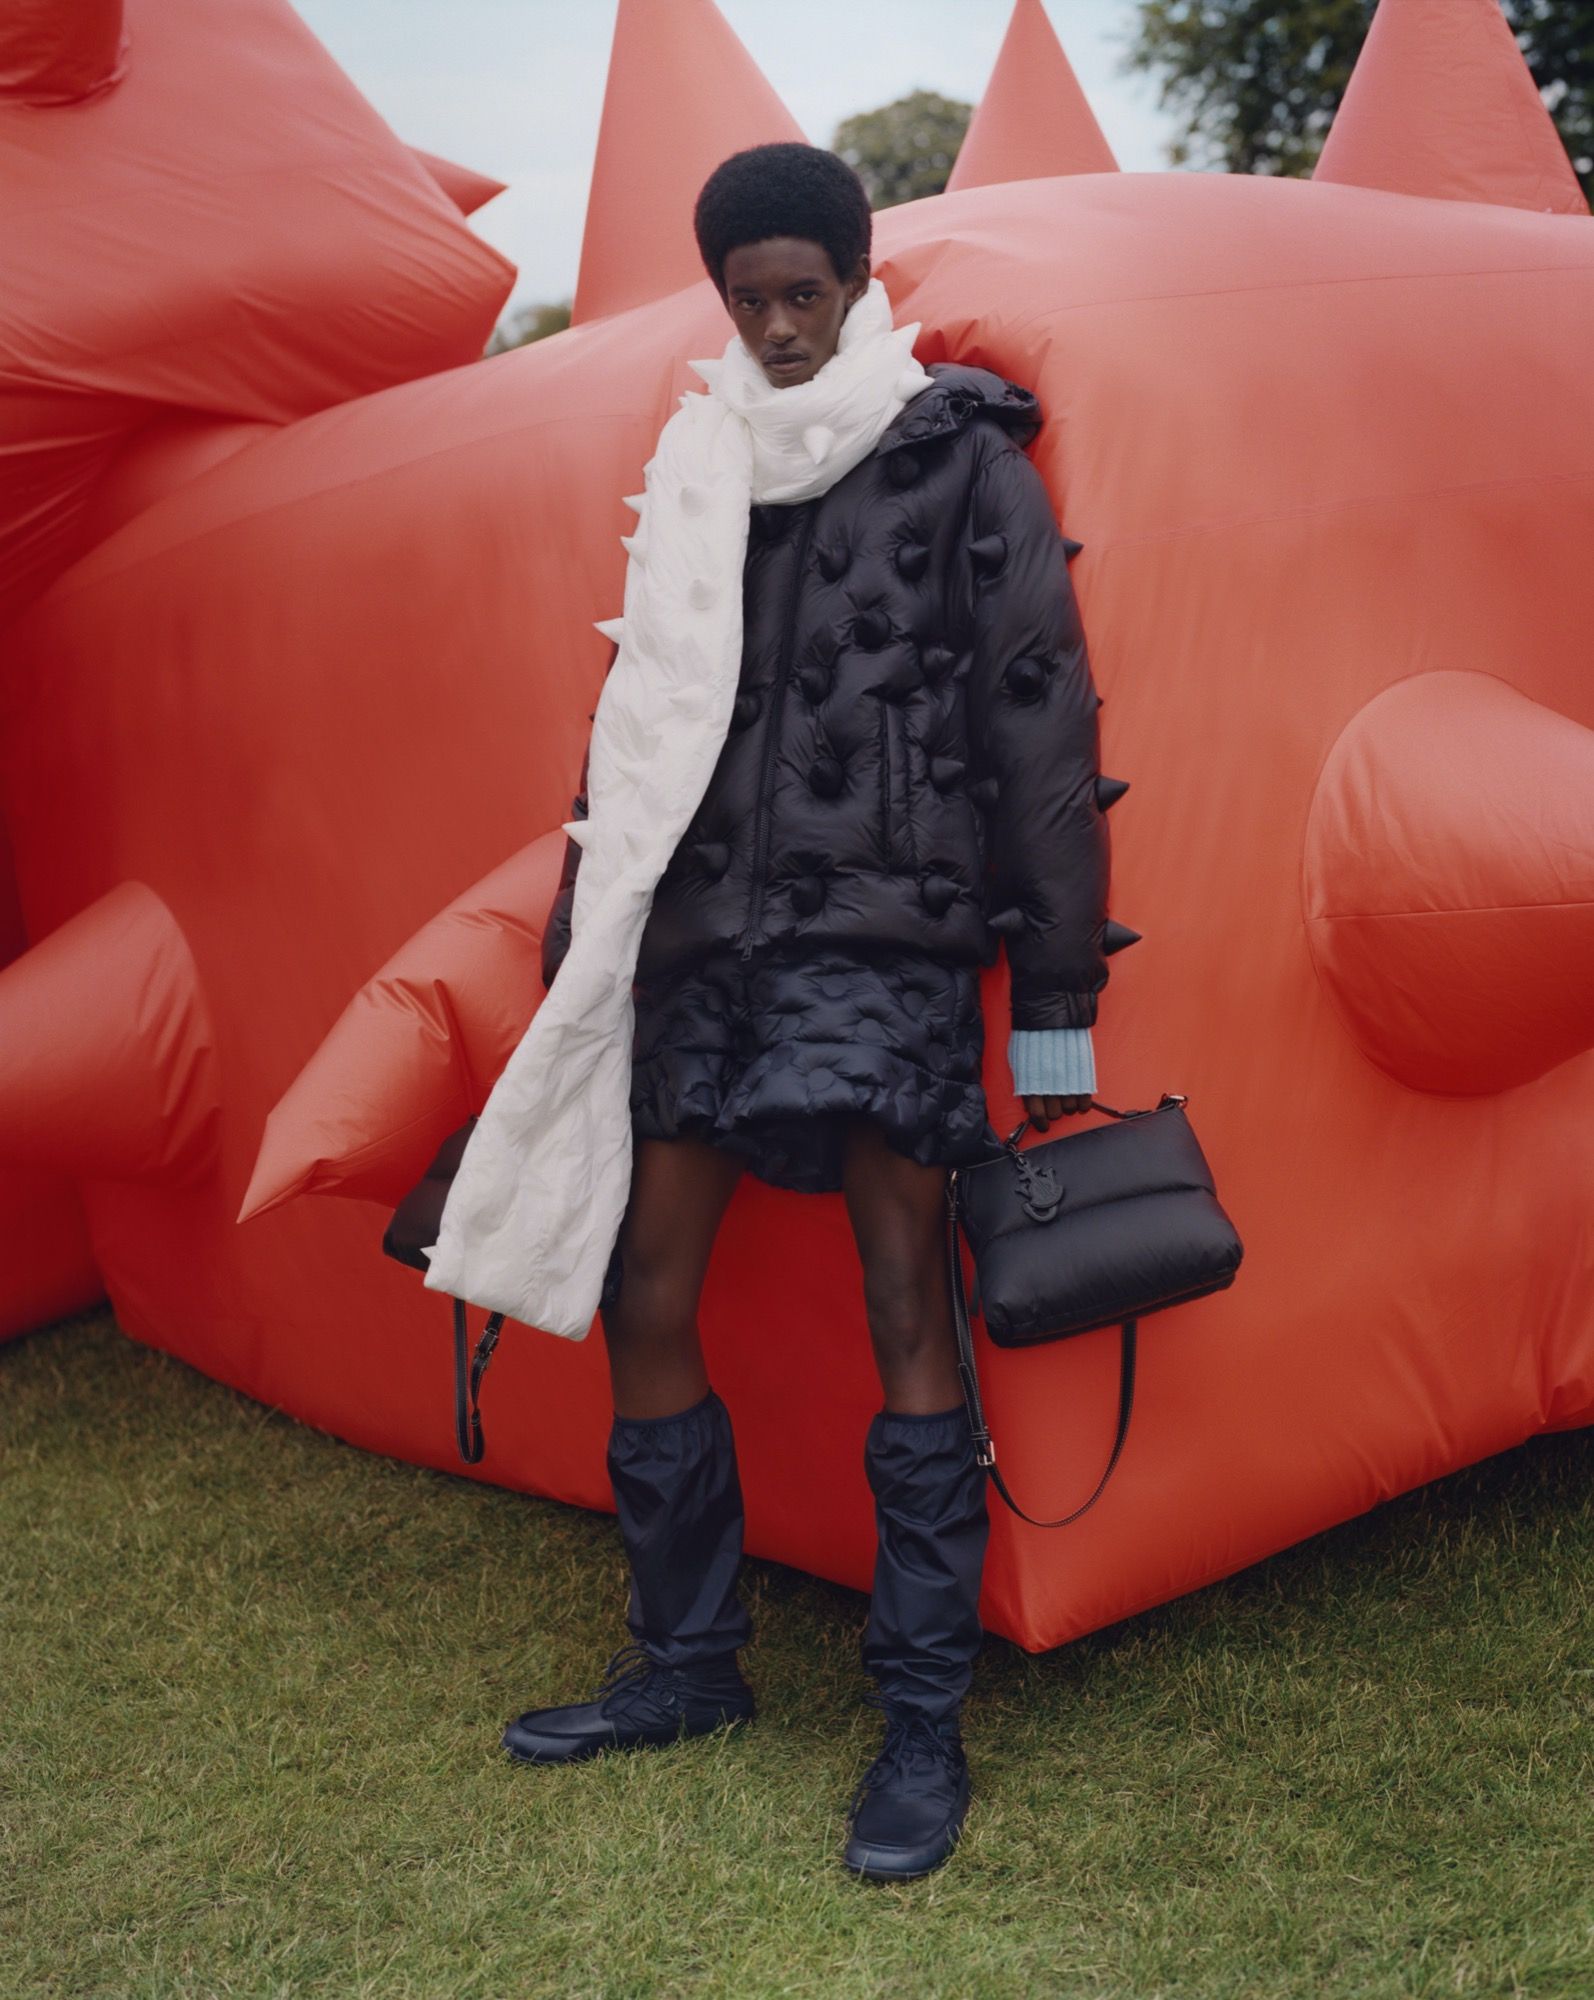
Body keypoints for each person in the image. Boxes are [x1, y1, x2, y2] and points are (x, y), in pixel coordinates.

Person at [499, 142, 1113, 1885]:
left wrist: (1054, 998)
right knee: (643, 1286)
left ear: (855, 281)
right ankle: (689, 1662)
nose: (774, 327)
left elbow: (1040, 722)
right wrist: (579, 958)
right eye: (746, 298)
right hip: (697, 939)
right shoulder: (694, 462)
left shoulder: (958, 453)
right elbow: (628, 733)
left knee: (905, 1298)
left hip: (889, 938)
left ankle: (919, 1723)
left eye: (802, 293)